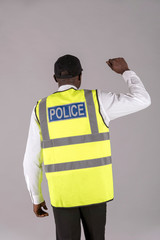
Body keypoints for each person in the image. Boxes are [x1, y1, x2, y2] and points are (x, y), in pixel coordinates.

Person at [23, 54, 151, 240]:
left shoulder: (40, 109)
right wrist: (125, 71)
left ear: (55, 78)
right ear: (80, 76)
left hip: (63, 193)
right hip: (95, 191)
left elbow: (31, 160)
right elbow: (143, 100)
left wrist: (36, 197)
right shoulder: (97, 101)